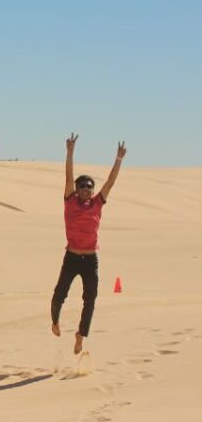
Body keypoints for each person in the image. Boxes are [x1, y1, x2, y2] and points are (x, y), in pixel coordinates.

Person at [51, 135, 126, 354]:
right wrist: (70, 152)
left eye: (89, 187)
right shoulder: (70, 201)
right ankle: (55, 321)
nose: (86, 189)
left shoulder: (97, 203)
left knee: (90, 299)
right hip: (72, 257)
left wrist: (118, 159)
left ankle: (80, 335)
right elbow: (68, 176)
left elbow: (110, 183)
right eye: (82, 186)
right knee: (60, 294)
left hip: (90, 259)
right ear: (76, 189)